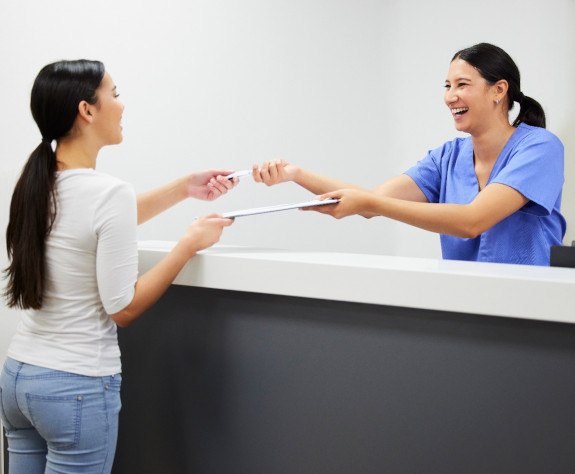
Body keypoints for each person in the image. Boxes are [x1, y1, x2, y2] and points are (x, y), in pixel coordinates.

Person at [0, 59, 235, 473]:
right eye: (115, 94)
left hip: (19, 378)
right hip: (75, 387)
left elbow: (99, 223)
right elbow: (122, 308)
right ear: (86, 110)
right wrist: (188, 245)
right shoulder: (107, 193)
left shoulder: (36, 183)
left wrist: (184, 188)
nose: (122, 105)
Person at [252, 43, 566, 266]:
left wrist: (372, 203)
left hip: (529, 307)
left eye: (462, 84)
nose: (450, 96)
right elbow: (371, 201)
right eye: (447, 85)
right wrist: (295, 174)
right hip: (467, 305)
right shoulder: (448, 157)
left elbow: (473, 220)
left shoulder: (539, 148)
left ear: (499, 90)